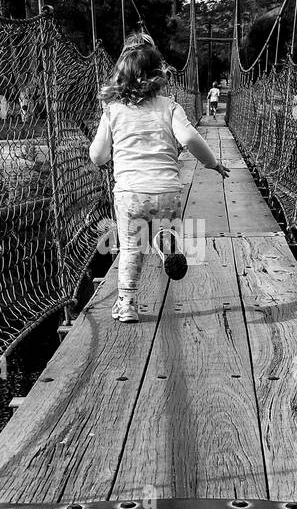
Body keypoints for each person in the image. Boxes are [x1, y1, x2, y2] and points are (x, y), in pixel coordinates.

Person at [89, 32, 229, 322]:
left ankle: (126, 304)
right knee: (160, 228)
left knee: (131, 246)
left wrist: (105, 160)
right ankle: (167, 245)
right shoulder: (170, 107)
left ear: (120, 74)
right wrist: (212, 163)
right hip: (167, 191)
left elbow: (98, 155)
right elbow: (190, 138)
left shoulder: (112, 110)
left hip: (130, 193)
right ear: (159, 74)